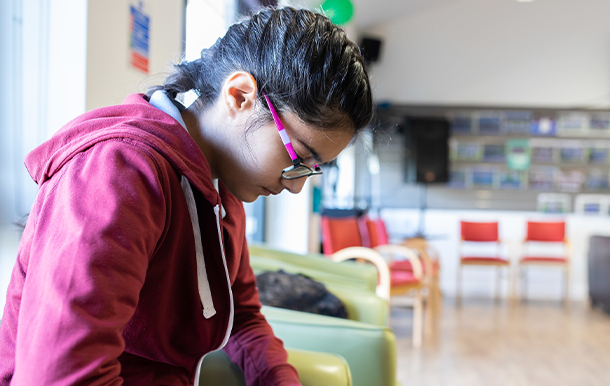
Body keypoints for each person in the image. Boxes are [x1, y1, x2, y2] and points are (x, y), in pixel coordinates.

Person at [0, 6, 372, 385]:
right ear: (240, 95)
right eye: (298, 156)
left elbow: (241, 317)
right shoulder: (119, 172)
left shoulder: (223, 190)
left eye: (312, 169)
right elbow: (60, 376)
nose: (295, 185)